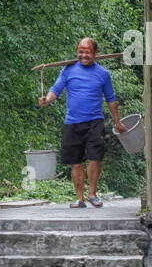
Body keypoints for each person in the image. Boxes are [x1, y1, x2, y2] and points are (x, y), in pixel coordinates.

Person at [38, 37, 128, 208]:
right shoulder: (68, 70)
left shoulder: (103, 74)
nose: (83, 55)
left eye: (87, 52)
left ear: (95, 53)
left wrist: (117, 121)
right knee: (76, 161)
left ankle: (92, 194)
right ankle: (79, 199)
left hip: (95, 122)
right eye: (80, 51)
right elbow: (55, 90)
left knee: (95, 158)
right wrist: (46, 100)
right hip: (72, 123)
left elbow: (111, 100)